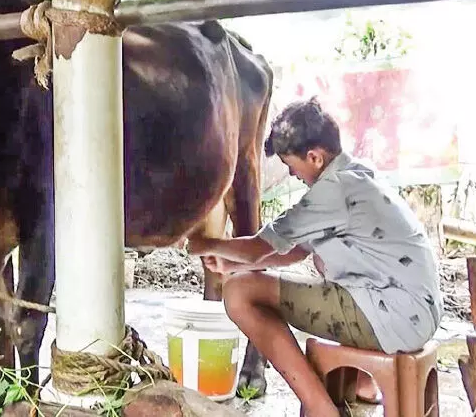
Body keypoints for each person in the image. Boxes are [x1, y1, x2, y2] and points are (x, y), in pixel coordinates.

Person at [185, 97, 444, 417]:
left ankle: (323, 410)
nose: (293, 176)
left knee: (239, 293)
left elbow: (259, 246)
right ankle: (360, 384)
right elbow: (294, 251)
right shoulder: (357, 174)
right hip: (416, 312)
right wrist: (232, 262)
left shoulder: (333, 190)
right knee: (312, 265)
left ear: (315, 157)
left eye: (292, 166)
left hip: (391, 315)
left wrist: (203, 242)